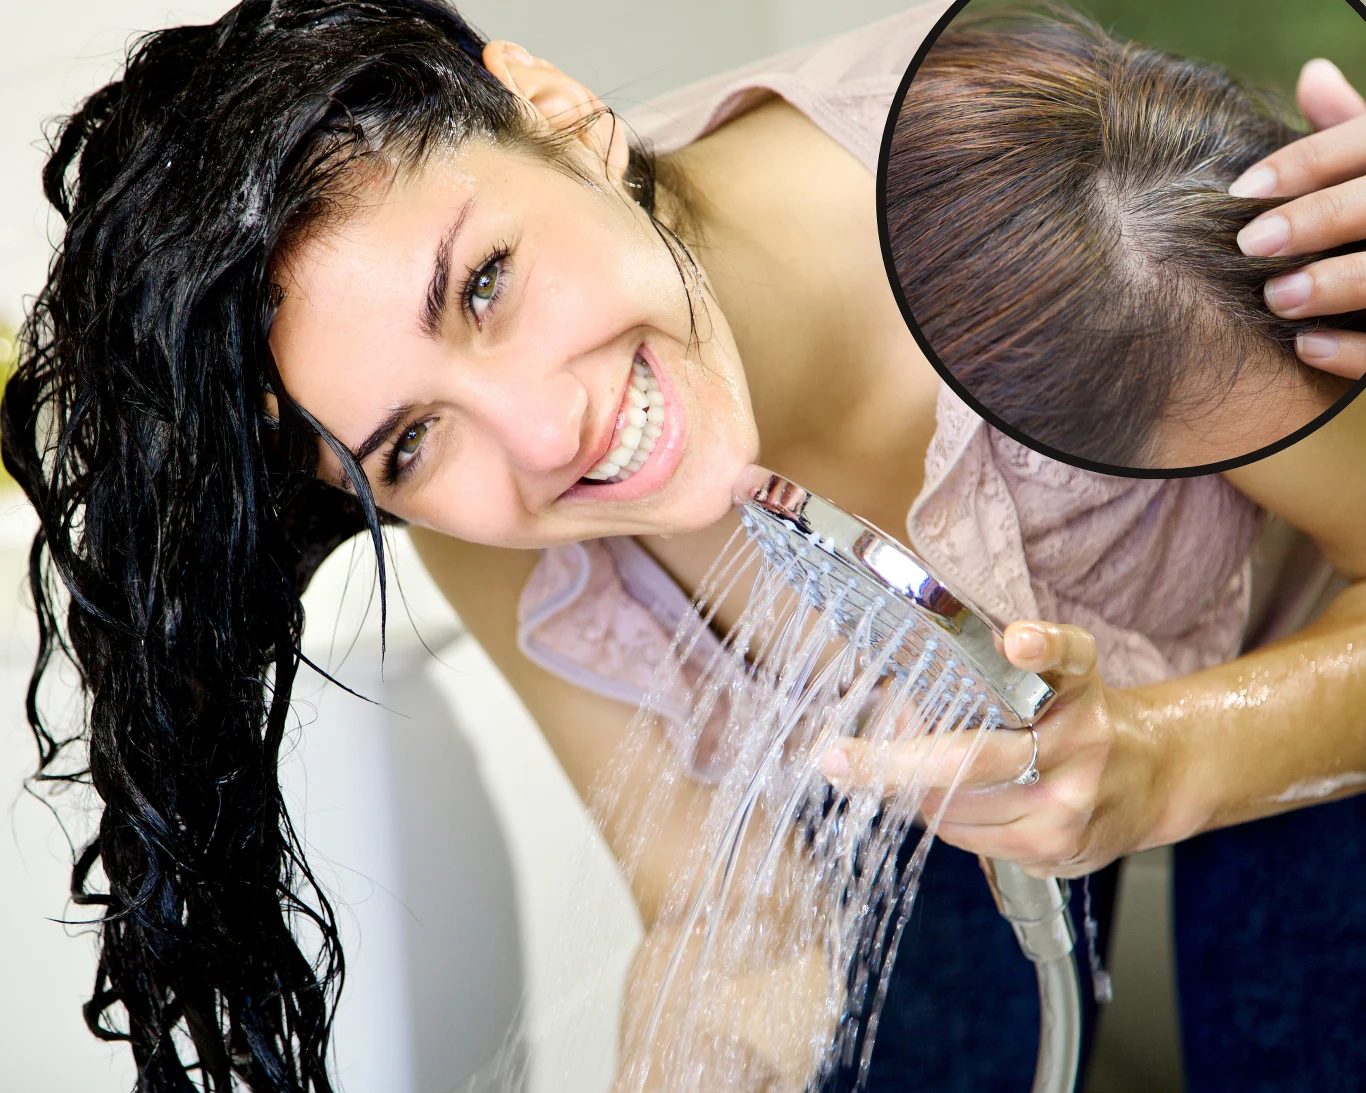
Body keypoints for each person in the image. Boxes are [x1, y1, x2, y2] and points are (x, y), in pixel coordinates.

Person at [3, 1, 1365, 1090]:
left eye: (484, 286)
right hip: (938, 796)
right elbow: (743, 920)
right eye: (408, 442)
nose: (542, 439)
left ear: (559, 114)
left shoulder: (1058, 226)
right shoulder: (475, 510)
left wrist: (1164, 757)